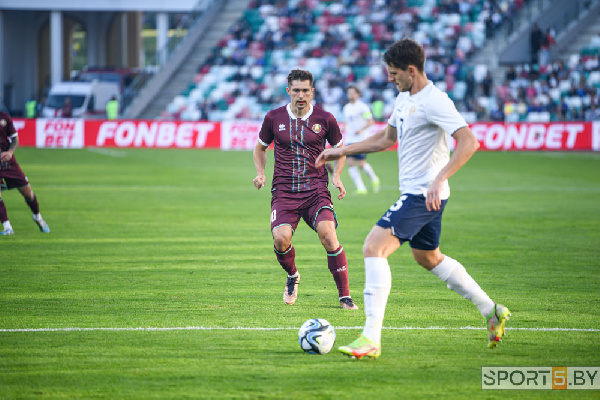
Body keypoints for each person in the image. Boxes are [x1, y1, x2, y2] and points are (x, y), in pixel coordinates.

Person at [316, 38, 510, 359]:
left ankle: (370, 338)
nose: (389, 79)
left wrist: (440, 178)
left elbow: (469, 142)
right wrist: (341, 150)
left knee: (373, 247)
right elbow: (386, 138)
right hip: (420, 194)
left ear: (411, 70)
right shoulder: (405, 98)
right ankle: (491, 310)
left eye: (394, 73)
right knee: (428, 258)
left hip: (424, 194)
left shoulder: (436, 101)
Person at [253, 68, 359, 310]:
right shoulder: (273, 118)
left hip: (316, 191)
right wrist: (260, 173)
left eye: (305, 90)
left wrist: (338, 176)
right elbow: (260, 148)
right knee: (281, 240)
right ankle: (292, 275)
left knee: (329, 235)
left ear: (312, 92)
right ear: (288, 91)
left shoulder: (325, 119)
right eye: (296, 90)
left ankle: (344, 296)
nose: (301, 95)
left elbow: (340, 149)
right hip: (284, 192)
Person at [0, 95, 50, 235]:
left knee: (27, 193)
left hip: (9, 163)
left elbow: (15, 138)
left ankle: (37, 217)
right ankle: (7, 227)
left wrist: (10, 151)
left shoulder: (4, 118)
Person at [342, 85, 380, 194]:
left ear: (357, 94)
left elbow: (370, 121)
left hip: (361, 139)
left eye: (352, 93)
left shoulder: (363, 107)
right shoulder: (346, 108)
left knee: (361, 164)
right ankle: (361, 188)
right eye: (349, 93)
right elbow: (347, 123)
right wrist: (342, 129)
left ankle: (374, 178)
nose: (350, 95)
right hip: (349, 138)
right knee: (350, 163)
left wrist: (361, 129)